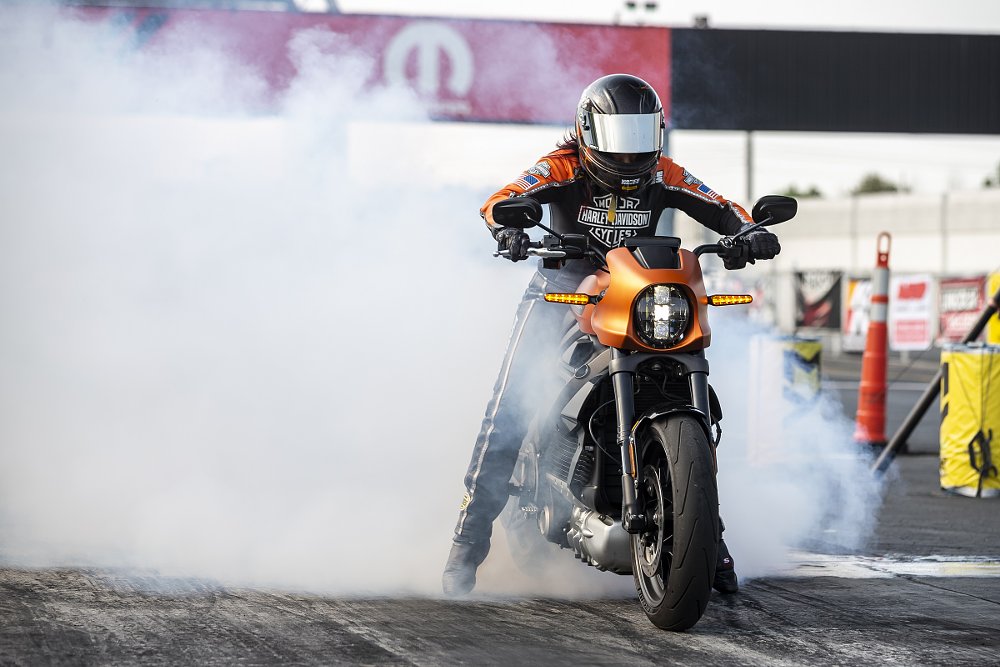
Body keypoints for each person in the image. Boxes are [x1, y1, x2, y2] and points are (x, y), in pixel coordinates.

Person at [442, 73, 780, 597]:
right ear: (587, 130)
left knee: (688, 386)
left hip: (640, 290)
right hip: (563, 289)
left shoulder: (664, 172)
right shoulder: (561, 165)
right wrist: (509, 227)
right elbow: (502, 199)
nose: (629, 154)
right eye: (618, 138)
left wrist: (747, 232)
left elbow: (719, 205)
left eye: (640, 135)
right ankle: (466, 544)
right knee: (507, 409)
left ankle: (705, 529)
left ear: (659, 131)